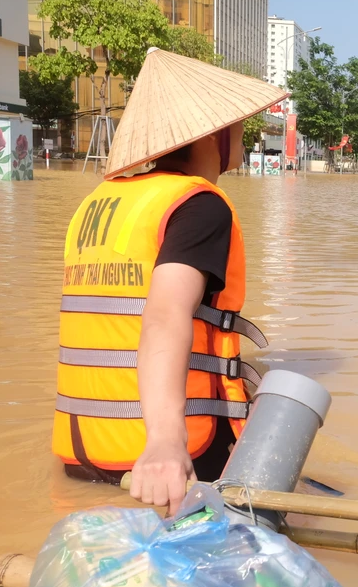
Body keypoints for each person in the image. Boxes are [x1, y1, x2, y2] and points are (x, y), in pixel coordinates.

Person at [55, 47, 287, 514]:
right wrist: (165, 442)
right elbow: (164, 315)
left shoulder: (101, 202)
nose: (245, 136)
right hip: (165, 460)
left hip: (83, 451)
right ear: (214, 135)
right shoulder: (201, 206)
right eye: (239, 127)